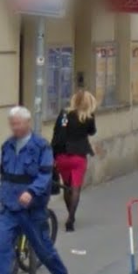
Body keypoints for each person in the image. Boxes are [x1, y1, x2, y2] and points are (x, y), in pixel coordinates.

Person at [0, 106, 72, 274]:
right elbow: (4, 173)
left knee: (43, 249)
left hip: (32, 209)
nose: (15, 127)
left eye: (18, 123)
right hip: (9, 207)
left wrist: (32, 192)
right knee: (2, 249)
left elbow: (45, 175)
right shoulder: (7, 146)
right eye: (12, 124)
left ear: (27, 123)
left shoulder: (41, 147)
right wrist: (3, 194)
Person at [51, 89, 97, 231]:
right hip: (78, 157)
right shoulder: (88, 117)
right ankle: (71, 218)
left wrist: (52, 154)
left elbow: (58, 132)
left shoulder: (65, 114)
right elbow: (92, 131)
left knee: (67, 186)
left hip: (62, 156)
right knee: (76, 188)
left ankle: (70, 213)